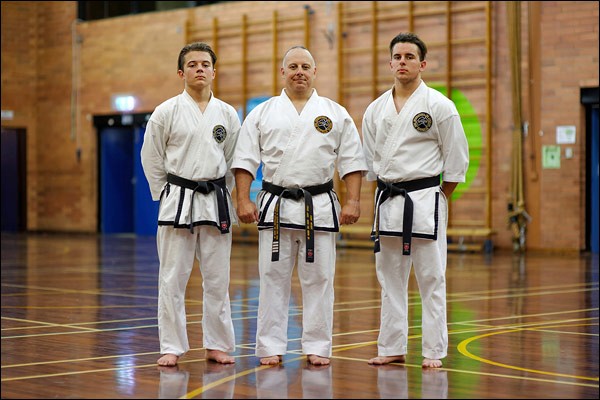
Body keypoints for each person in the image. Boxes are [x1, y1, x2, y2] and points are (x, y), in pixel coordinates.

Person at [232, 45, 368, 366]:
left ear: (315, 72)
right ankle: (269, 346)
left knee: (320, 280)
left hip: (318, 206)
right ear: (282, 72)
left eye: (305, 66)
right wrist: (242, 199)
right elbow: (244, 161)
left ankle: (318, 345)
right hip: (276, 206)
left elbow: (352, 161)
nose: (299, 72)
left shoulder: (334, 112)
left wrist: (354, 200)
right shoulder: (263, 112)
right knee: (271, 279)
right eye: (292, 66)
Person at [362, 32, 469, 368]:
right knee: (389, 279)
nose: (403, 62)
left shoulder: (439, 106)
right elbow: (371, 162)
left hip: (425, 200)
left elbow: (456, 162)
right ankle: (392, 346)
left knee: (432, 279)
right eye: (398, 57)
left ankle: (433, 350)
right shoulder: (375, 109)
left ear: (422, 64)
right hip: (388, 199)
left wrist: (435, 197)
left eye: (410, 57)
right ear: (390, 62)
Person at [141, 42, 240, 366]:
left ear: (214, 71)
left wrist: (226, 195)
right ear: (181, 73)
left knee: (217, 278)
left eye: (205, 64)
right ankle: (171, 346)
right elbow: (151, 157)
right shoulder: (166, 112)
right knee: (172, 277)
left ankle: (217, 343)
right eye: (193, 64)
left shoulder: (226, 114)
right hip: (178, 201)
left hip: (215, 200)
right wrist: (164, 193)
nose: (200, 69)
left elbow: (232, 159)